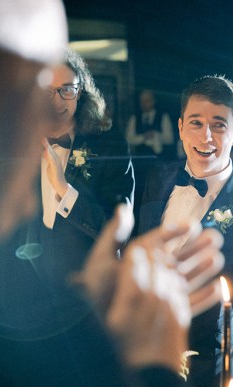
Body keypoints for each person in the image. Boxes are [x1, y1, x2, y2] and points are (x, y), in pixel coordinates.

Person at [0, 0, 223, 387]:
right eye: (34, 88)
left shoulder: (107, 148)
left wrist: (92, 319)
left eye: (63, 90)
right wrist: (154, 366)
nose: (52, 106)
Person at [138, 75, 233, 387]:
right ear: (180, 127)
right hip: (149, 364)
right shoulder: (157, 179)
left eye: (218, 125)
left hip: (212, 374)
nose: (205, 136)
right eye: (196, 123)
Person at [34, 47, 134, 325]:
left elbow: (118, 231)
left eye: (67, 89)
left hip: (89, 299)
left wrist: (64, 189)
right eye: (47, 91)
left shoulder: (110, 145)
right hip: (29, 301)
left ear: (80, 92)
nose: (57, 102)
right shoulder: (19, 141)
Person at [125, 89, 176, 159]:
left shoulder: (163, 117)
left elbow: (170, 139)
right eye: (141, 101)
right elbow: (128, 139)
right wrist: (143, 137)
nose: (144, 104)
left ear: (153, 101)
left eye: (147, 101)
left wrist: (156, 135)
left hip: (160, 159)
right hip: (140, 159)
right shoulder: (134, 118)